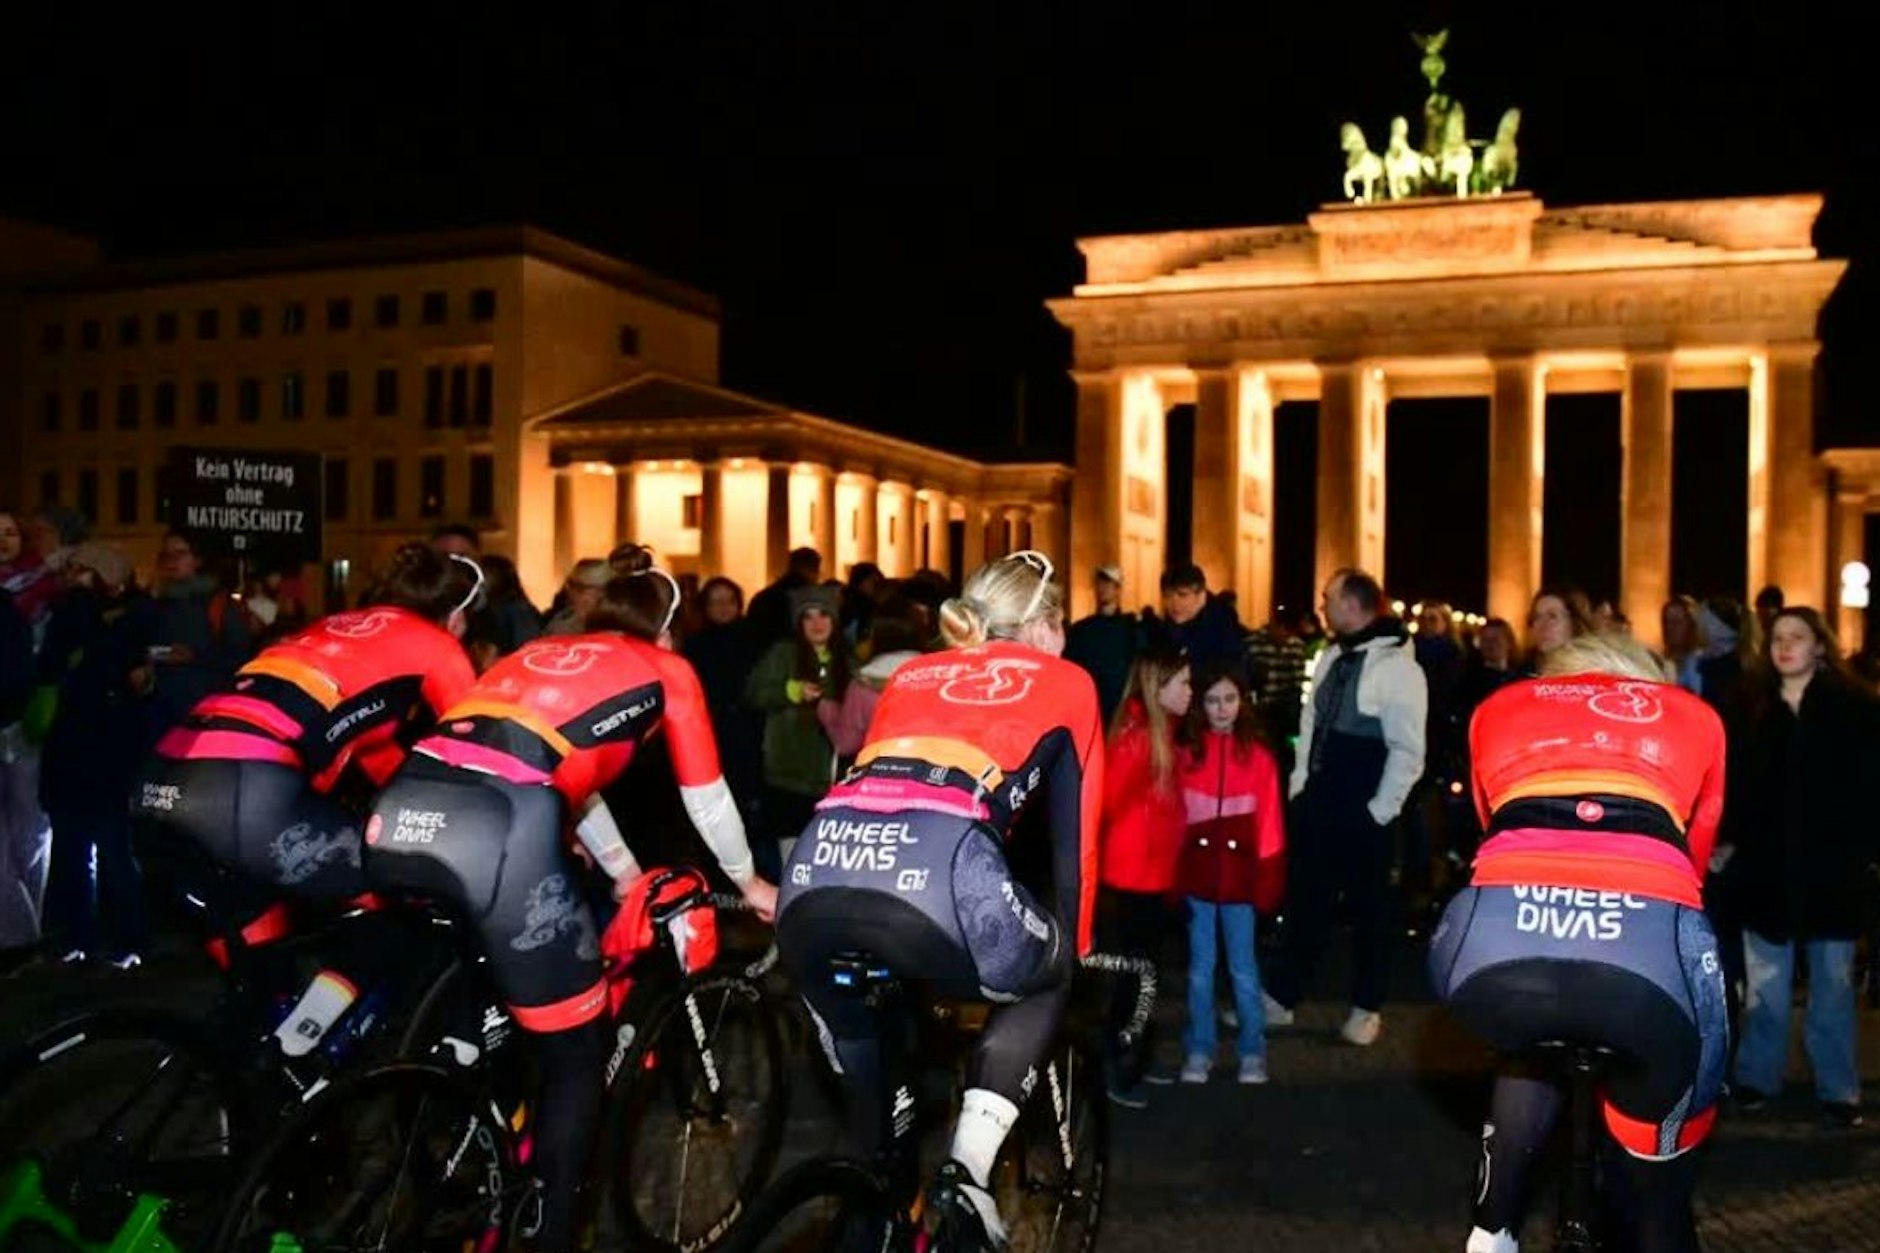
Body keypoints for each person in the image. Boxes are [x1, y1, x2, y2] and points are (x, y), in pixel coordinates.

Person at [365, 548, 778, 1253]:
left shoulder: (543, 651)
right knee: (576, 1054)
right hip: (502, 823)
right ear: (668, 629)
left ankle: (470, 1120)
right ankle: (550, 1231)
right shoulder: (668, 669)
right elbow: (706, 798)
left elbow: (571, 779)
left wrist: (622, 869)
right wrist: (750, 882)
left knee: (497, 981)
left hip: (400, 809)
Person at [775, 550, 1102, 1250]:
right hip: (942, 875)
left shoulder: (914, 670)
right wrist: (1075, 940)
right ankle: (970, 1171)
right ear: (1044, 626)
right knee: (1048, 974)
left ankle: (880, 1200)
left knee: (879, 1131)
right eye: (1064, 623)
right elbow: (1074, 846)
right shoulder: (1067, 679)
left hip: (815, 872)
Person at [1430, 632, 1728, 1253]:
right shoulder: (1696, 719)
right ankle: (1650, 1199)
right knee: (1657, 1186)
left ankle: (1493, 1227)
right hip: (1648, 947)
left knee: (1530, 1041)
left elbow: (1494, 827)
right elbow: (1693, 856)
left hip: (1489, 938)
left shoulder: (1501, 707)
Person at [133, 542, 481, 954]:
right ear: (456, 617)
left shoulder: (333, 625)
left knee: (261, 966)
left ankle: (268, 1013)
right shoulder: (438, 645)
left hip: (159, 781)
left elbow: (379, 759)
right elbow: (474, 756)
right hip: (244, 788)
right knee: (403, 897)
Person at [1721, 608, 1880, 1127]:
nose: (1785, 646)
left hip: (1831, 870)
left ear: (1819, 645)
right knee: (1765, 989)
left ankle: (1838, 1088)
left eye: (1797, 637)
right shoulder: (1749, 706)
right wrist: (1726, 840)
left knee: (1832, 988)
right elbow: (1733, 785)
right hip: (1765, 870)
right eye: (1778, 638)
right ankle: (1756, 1078)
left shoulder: (1854, 708)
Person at [1262, 568, 1425, 1046]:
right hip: (1318, 800)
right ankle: (1283, 996)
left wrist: (1379, 810)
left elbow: (1408, 748)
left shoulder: (1398, 667)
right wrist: (1299, 785)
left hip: (1364, 806)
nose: (1321, 605)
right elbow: (1311, 723)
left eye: (1328, 597)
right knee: (1306, 902)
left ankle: (1367, 1006)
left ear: (1353, 605)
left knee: (1370, 913)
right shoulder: (1333, 654)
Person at [38, 542, 158, 967]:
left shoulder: (131, 616)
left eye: (82, 569)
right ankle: (75, 936)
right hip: (72, 753)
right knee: (73, 851)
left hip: (108, 755)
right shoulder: (69, 613)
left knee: (113, 851)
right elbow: (50, 665)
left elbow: (108, 665)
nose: (72, 575)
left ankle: (128, 939)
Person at [1176, 663, 1285, 1085]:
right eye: (1212, 701)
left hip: (1241, 879)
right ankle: (1199, 1047)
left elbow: (1271, 821)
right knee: (1200, 969)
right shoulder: (1188, 754)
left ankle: (1252, 1049)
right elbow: (1176, 819)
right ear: (1200, 706)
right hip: (1199, 877)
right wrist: (1175, 872)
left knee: (1243, 967)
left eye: (1230, 699)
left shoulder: (1257, 757)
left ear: (1243, 702)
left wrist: (1269, 875)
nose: (1222, 709)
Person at [1096, 646, 1191, 1107]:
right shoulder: (1138, 739)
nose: (1190, 692)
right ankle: (1117, 1063)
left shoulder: (1159, 734)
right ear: (1159, 688)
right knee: (1135, 977)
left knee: (1146, 974)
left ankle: (1135, 1054)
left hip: (1151, 876)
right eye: (1184, 684)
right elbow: (1109, 803)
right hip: (1131, 878)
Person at [746, 583, 852, 882]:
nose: (817, 624)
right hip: (787, 773)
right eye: (809, 616)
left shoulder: (847, 659)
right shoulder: (783, 654)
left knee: (827, 849)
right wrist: (789, 690)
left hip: (833, 776)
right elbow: (753, 693)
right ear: (798, 622)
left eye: (824, 616)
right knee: (791, 850)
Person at [1063, 565, 1142, 723]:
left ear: (1118, 589)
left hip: (1120, 704)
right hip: (1092, 703)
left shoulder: (1132, 628)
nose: (1103, 589)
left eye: (1108, 584)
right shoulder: (1082, 629)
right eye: (1100, 584)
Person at [1146, 563, 1246, 682]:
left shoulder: (1223, 627)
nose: (1173, 603)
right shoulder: (1165, 628)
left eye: (1182, 595)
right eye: (1167, 596)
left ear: (1201, 595)